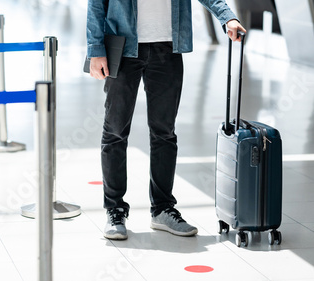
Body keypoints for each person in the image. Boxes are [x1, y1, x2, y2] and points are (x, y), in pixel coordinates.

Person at [86, 0, 246, 240]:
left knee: (164, 133)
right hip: (122, 46)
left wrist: (227, 16)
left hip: (168, 48)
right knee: (115, 132)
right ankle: (115, 209)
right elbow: (96, 5)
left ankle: (162, 209)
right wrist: (95, 49)